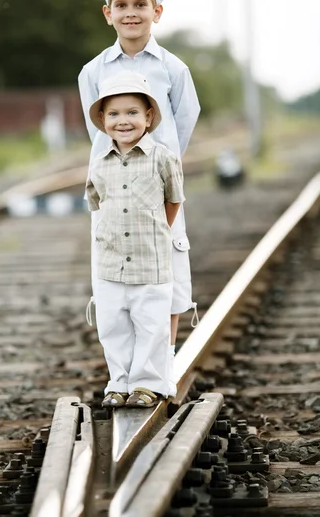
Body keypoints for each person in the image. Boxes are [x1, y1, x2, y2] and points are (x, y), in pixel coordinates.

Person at [79, 0, 200, 397]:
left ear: (157, 11)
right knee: (116, 281)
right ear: (107, 13)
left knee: (163, 275)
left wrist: (160, 166)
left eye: (140, 4)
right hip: (115, 189)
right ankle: (124, 374)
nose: (132, 13)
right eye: (122, 5)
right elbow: (97, 127)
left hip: (157, 185)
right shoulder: (94, 71)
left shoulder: (173, 68)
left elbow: (183, 120)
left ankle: (160, 369)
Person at [85, 71, 185, 407]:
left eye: (132, 113)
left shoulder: (163, 158)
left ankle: (147, 384)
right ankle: (119, 382)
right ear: (102, 119)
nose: (123, 121)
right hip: (111, 262)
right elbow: (97, 204)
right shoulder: (99, 164)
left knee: (151, 325)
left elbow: (173, 202)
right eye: (113, 114)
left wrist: (157, 231)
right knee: (113, 325)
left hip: (150, 260)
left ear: (149, 117)